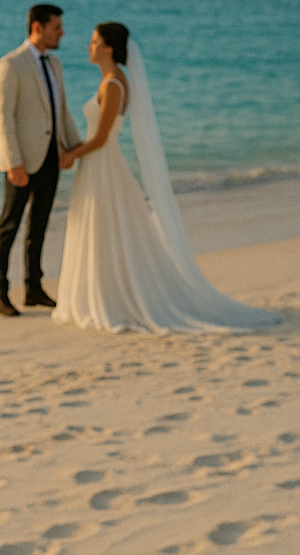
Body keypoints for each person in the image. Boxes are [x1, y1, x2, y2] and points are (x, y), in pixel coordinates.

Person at [53, 21, 277, 333]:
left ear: (108, 48)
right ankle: (105, 292)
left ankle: (113, 297)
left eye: (93, 42)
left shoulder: (113, 84)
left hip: (103, 164)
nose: (89, 47)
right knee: (102, 229)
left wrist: (70, 154)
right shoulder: (110, 80)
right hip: (96, 165)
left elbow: (102, 137)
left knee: (107, 228)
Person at [0, 3, 80, 316]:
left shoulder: (54, 63)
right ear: (38, 27)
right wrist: (14, 161)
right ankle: (0, 294)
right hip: (21, 162)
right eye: (57, 27)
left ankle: (34, 288)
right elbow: (3, 116)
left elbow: (62, 110)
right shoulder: (11, 64)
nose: (62, 32)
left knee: (39, 227)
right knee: (9, 227)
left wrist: (76, 147)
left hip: (51, 158)